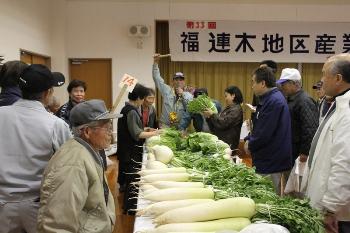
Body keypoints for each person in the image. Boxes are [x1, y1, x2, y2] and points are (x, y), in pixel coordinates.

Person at [0, 64, 71, 233]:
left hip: (3, 204)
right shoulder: (55, 124)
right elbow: (67, 163)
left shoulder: (1, 113)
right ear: (48, 93)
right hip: (37, 204)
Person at [37, 99, 118, 233]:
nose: (111, 132)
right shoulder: (72, 164)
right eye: (107, 128)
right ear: (87, 131)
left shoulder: (89, 150)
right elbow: (56, 225)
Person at [302, 53, 350, 233]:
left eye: (324, 74)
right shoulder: (338, 105)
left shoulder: (347, 112)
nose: (321, 80)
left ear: (338, 78)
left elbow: (344, 164)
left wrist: (331, 208)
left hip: (338, 216)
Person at [244, 67, 293, 195]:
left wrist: (250, 143)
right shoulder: (270, 99)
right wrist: (249, 138)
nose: (252, 86)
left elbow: (264, 133)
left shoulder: (273, 101)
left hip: (270, 160)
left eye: (253, 82)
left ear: (263, 83)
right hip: (268, 158)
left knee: (266, 199)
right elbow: (261, 127)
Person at [117, 83, 159, 214]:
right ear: (139, 98)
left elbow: (136, 129)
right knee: (133, 180)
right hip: (130, 152)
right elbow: (137, 134)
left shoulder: (126, 109)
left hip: (126, 150)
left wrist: (147, 129)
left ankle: (129, 207)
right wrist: (155, 133)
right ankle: (130, 209)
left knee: (131, 179)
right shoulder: (132, 112)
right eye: (144, 98)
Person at [277, 68, 319, 163]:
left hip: (298, 153)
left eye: (284, 84)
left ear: (294, 83)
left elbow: (310, 128)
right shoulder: (291, 99)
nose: (282, 86)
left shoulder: (304, 101)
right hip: (291, 149)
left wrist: (304, 152)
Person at [153, 53, 193, 129]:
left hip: (180, 127)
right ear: (172, 81)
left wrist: (183, 94)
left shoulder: (188, 95)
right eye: (176, 79)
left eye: (181, 80)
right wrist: (155, 63)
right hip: (165, 125)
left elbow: (190, 109)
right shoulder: (167, 90)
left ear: (184, 82)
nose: (178, 82)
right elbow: (157, 79)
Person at [202, 86, 242, 150]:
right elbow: (217, 125)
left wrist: (212, 114)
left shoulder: (236, 110)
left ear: (233, 95)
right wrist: (208, 118)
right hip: (223, 144)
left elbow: (223, 123)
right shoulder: (229, 108)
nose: (225, 99)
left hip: (229, 146)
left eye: (226, 96)